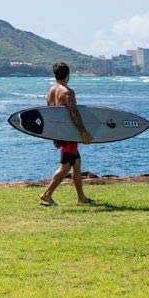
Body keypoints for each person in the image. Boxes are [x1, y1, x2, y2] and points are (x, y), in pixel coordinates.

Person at [39, 61, 95, 206]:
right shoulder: (67, 92)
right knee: (65, 167)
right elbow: (74, 113)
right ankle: (47, 194)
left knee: (76, 164)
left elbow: (50, 116)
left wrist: (53, 135)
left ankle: (81, 198)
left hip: (60, 133)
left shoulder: (50, 92)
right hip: (69, 135)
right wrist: (83, 132)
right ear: (68, 75)